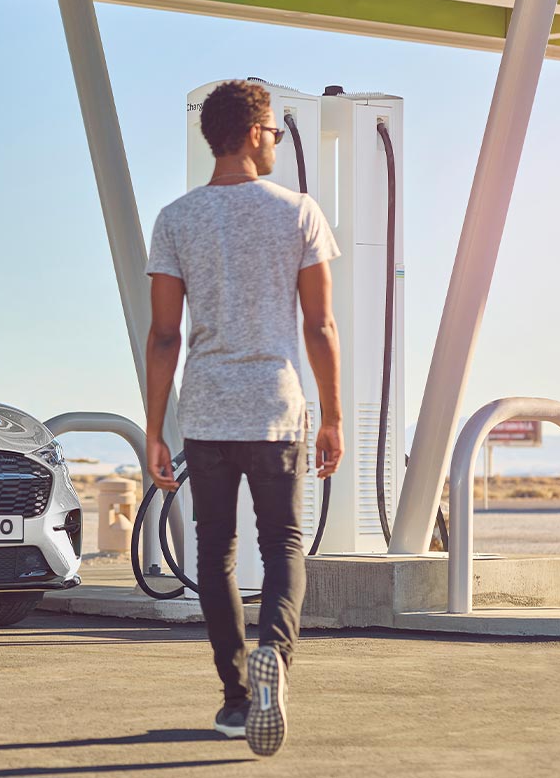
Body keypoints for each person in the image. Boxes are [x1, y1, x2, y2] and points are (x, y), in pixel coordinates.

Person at [142, 80, 343, 757]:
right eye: (277, 134)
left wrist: (152, 430)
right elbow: (320, 324)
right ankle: (274, 664)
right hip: (277, 405)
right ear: (256, 133)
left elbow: (164, 334)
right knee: (284, 541)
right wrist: (333, 416)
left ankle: (235, 697)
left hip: (206, 408)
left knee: (215, 551)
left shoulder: (177, 218)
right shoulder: (299, 213)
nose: (278, 145)